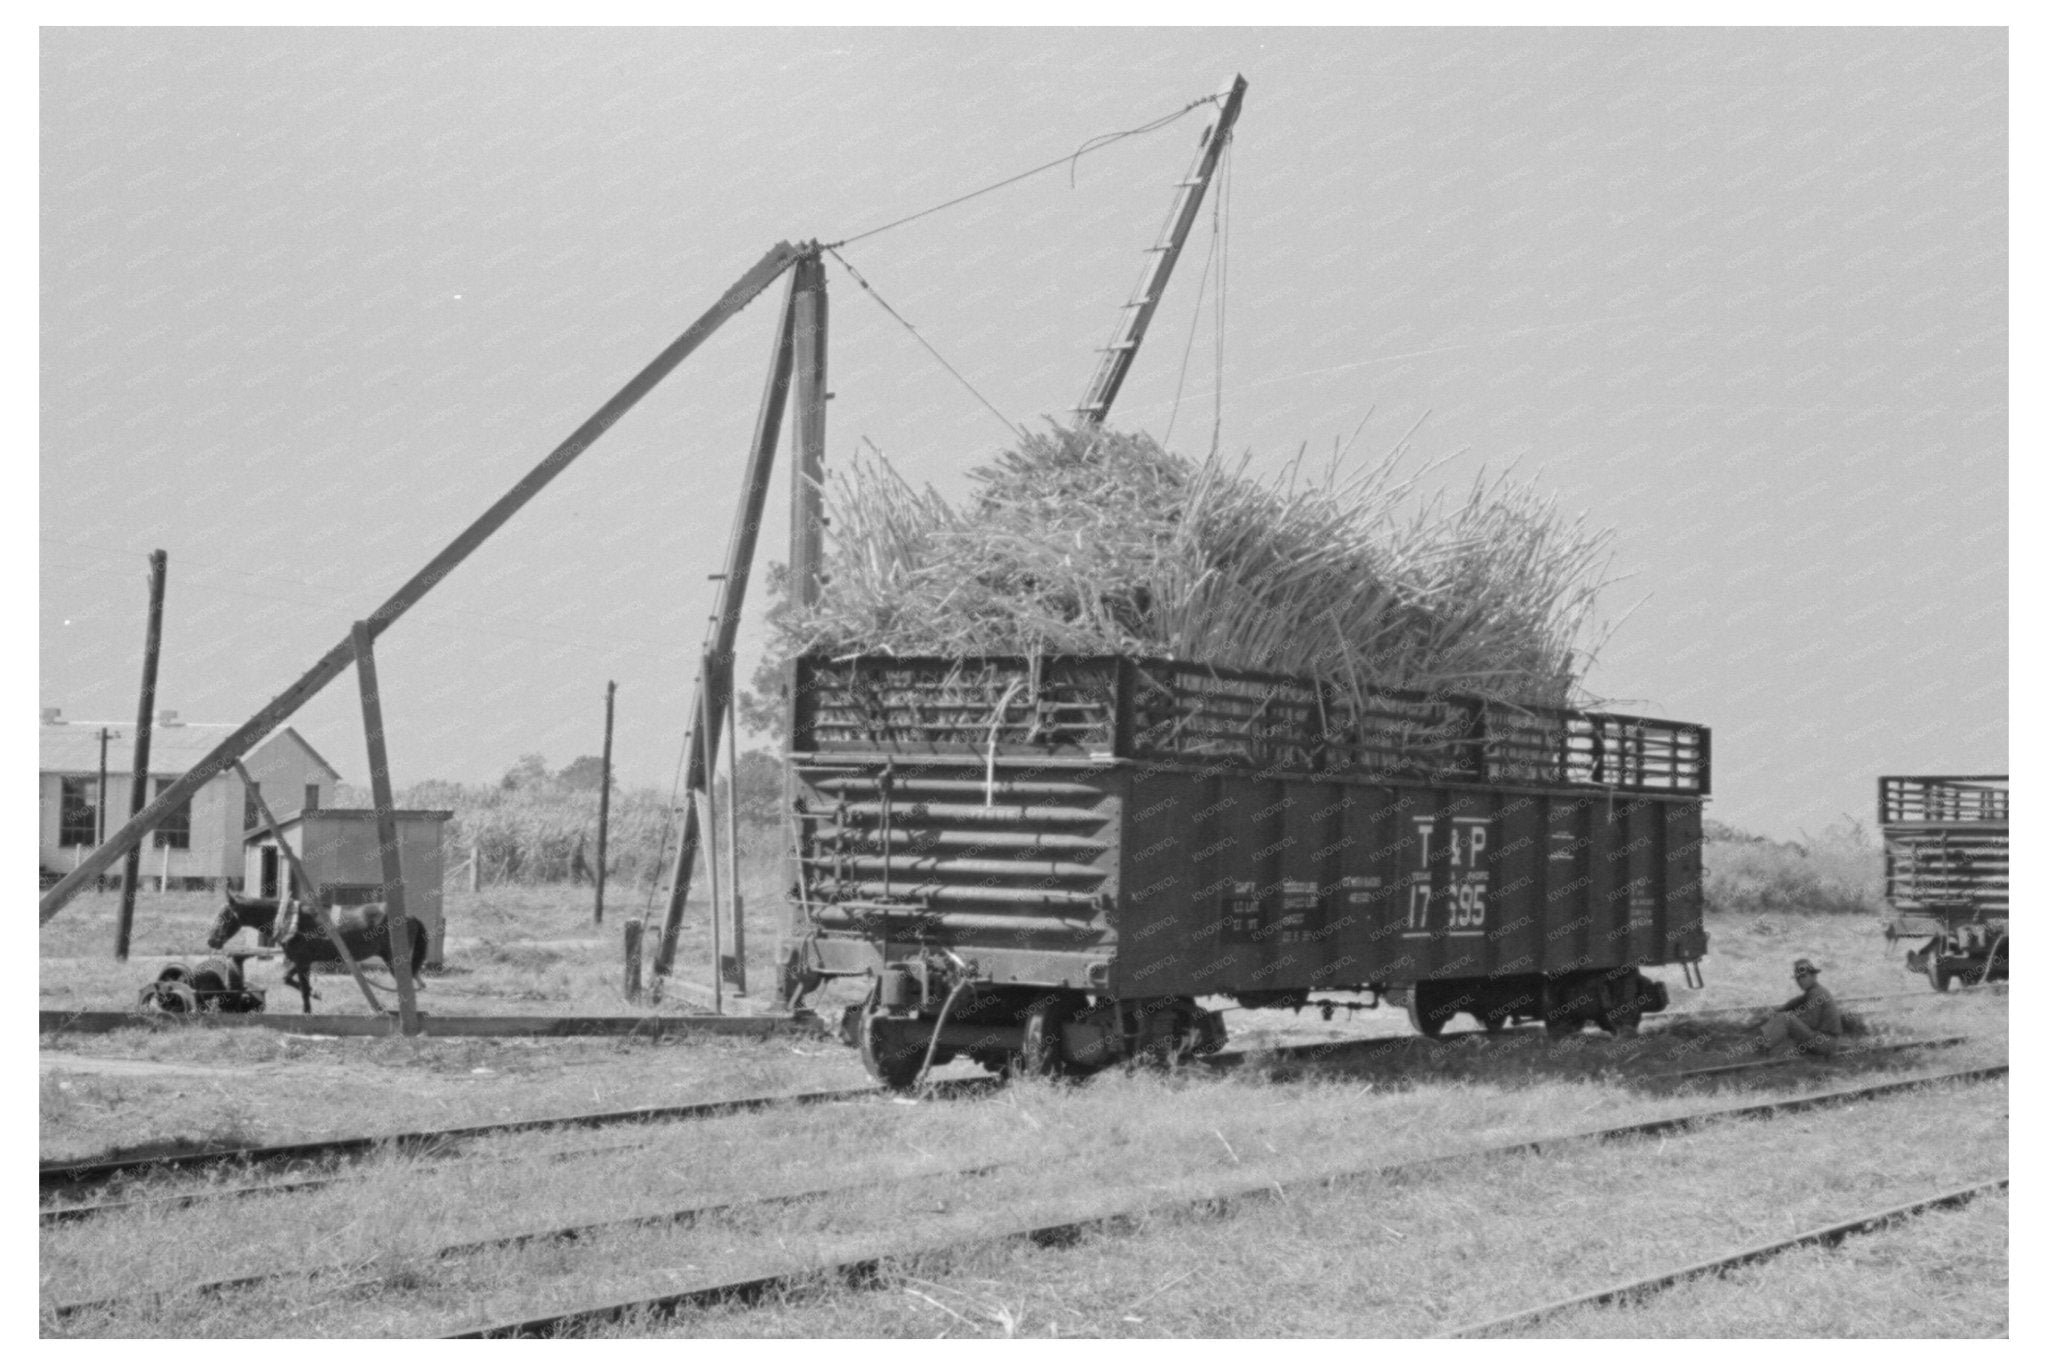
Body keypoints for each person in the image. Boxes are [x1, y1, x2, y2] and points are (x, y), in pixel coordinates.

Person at [1760, 958, 1843, 1056]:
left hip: (1827, 1043)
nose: (1800, 981)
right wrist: (1776, 1011)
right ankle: (1765, 1043)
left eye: (1803, 976)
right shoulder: (1812, 991)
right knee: (1784, 1017)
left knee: (1786, 1018)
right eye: (1798, 978)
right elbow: (1793, 1003)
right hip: (1824, 1040)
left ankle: (1764, 1047)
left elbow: (1810, 1022)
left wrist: (1788, 1020)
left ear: (1813, 976)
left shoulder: (1816, 993)